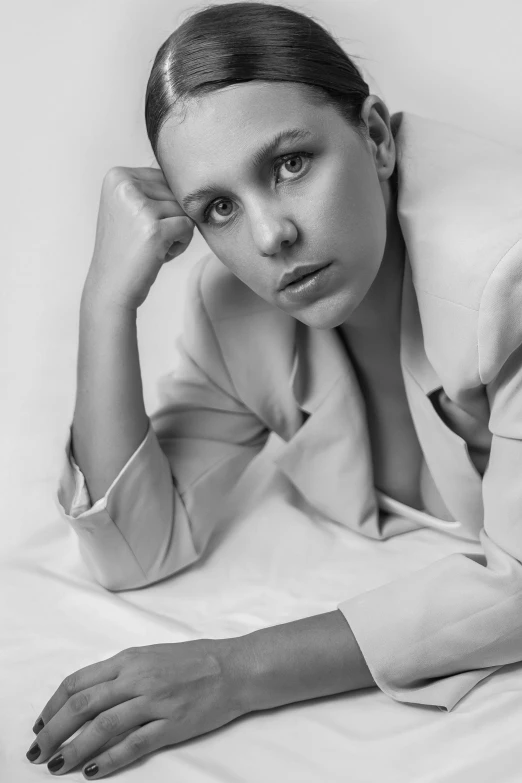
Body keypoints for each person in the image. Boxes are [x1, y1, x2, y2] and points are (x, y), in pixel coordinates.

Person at [27, 1, 522, 778]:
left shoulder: (505, 272)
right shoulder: (236, 310)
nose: (268, 236)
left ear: (377, 137)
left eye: (290, 163)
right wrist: (104, 303)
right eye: (218, 207)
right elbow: (135, 549)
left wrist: (236, 670)